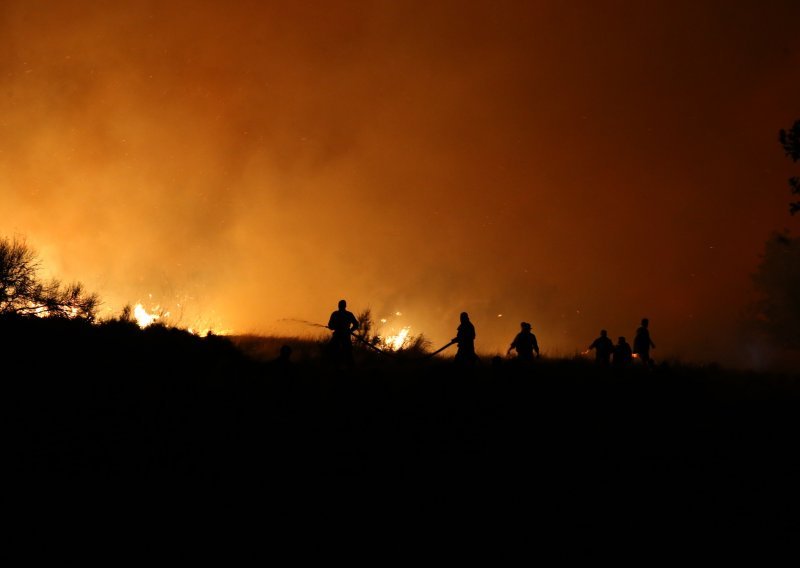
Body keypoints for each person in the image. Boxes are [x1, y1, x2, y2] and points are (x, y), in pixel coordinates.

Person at [327, 299, 360, 368]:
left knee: (344, 353)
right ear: (345, 306)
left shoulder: (335, 314)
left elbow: (330, 325)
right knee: (346, 353)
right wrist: (350, 330)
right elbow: (356, 324)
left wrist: (350, 330)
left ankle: (343, 367)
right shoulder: (348, 314)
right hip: (343, 336)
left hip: (340, 336)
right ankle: (348, 368)